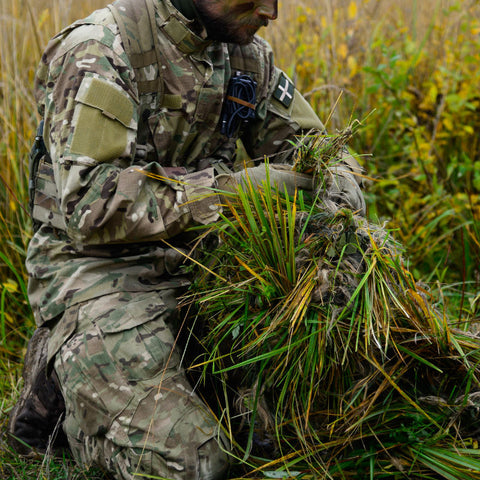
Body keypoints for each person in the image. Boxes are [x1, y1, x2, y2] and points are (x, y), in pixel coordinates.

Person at [8, 0, 365, 478]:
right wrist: (235, 192)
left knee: (299, 429)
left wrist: (337, 185)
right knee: (194, 463)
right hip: (98, 274)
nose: (270, 11)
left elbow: (316, 151)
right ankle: (59, 397)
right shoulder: (101, 48)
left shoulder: (248, 58)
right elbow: (89, 206)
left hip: (204, 269)